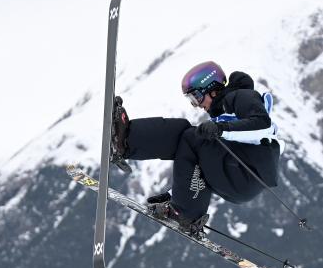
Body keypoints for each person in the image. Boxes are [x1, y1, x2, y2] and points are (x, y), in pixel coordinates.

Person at [110, 60, 281, 237]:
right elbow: (196, 167)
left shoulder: (241, 96)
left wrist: (222, 130)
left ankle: (124, 141)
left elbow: (262, 124)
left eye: (196, 97)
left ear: (213, 89)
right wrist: (173, 194)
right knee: (188, 138)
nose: (197, 105)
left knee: (190, 136)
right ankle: (183, 213)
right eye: (192, 101)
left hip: (246, 172)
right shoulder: (222, 115)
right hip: (238, 178)